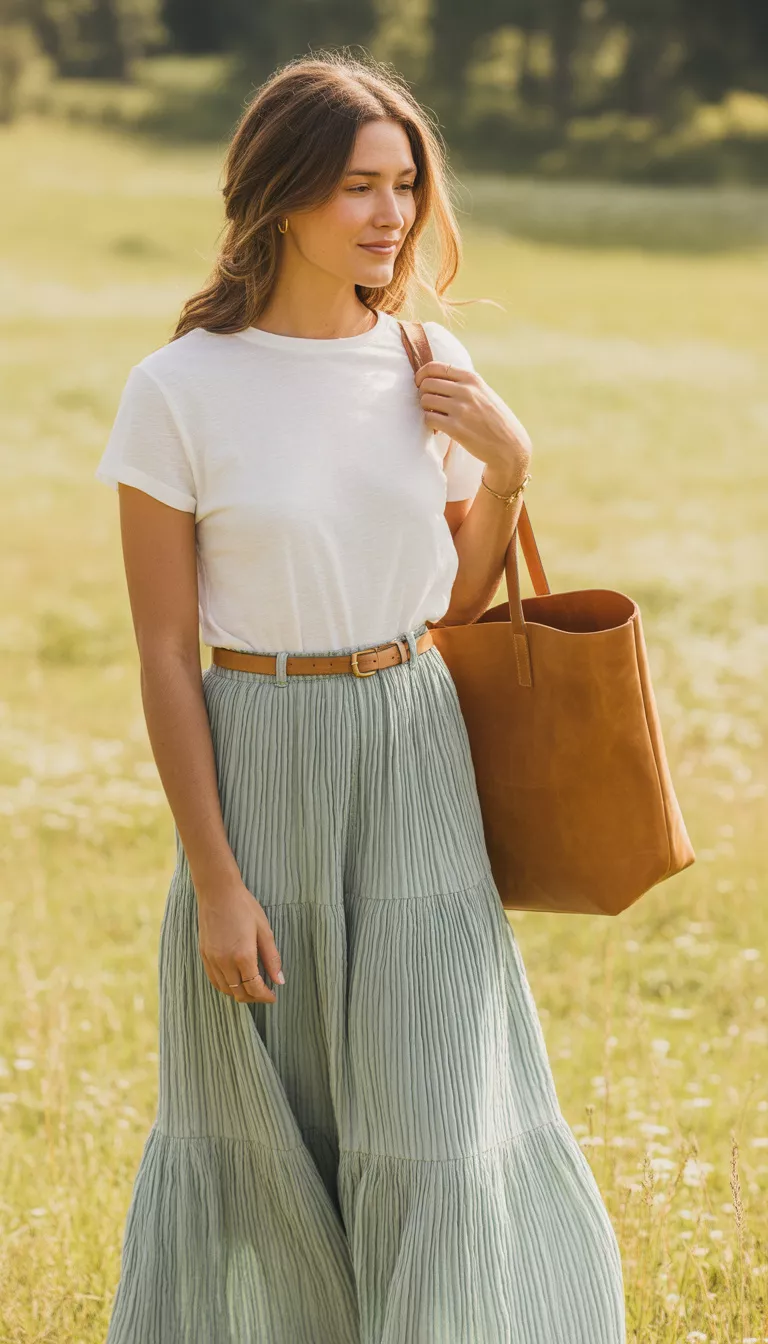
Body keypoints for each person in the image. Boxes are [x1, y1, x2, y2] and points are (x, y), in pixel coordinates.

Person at [94, 50, 626, 1344]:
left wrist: (508, 468)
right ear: (279, 195)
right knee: (265, 1141)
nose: (389, 215)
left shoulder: (424, 359)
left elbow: (452, 602)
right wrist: (215, 882)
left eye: (403, 185)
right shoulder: (180, 392)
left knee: (437, 1119)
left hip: (412, 745)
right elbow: (166, 653)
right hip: (260, 752)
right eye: (355, 187)